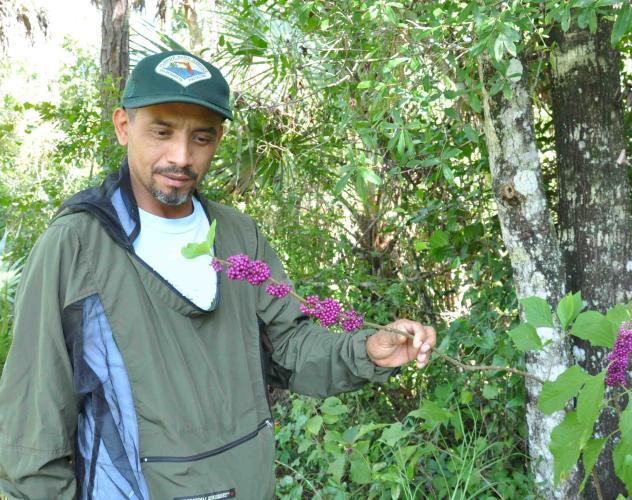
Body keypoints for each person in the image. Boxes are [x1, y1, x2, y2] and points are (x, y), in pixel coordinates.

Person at [0, 51, 436, 499]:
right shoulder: (75, 246)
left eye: (202, 138)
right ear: (123, 126)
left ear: (219, 139)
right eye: (162, 132)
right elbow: (32, 434)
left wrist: (367, 351)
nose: (182, 157)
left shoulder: (238, 236)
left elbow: (290, 345)